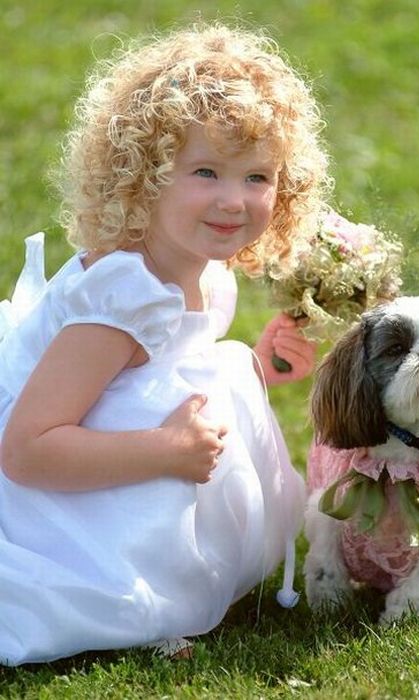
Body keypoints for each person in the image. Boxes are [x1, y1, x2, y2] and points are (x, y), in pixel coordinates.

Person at [0, 22, 331, 665]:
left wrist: (257, 365)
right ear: (143, 176)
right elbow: (26, 449)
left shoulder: (200, 268)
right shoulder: (122, 297)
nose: (233, 200)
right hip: (49, 493)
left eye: (257, 177)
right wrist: (166, 450)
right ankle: (130, 590)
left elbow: (173, 367)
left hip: (107, 437)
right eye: (205, 171)